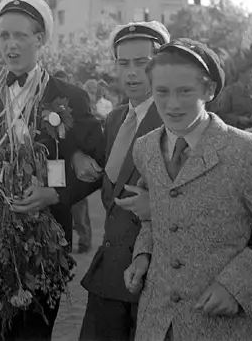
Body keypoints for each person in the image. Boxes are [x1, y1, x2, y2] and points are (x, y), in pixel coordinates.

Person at [0, 0, 105, 341]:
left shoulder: (69, 95)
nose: (10, 46)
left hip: (45, 238)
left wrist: (55, 194)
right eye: (3, 36)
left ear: (39, 39)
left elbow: (97, 164)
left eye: (20, 36)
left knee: (33, 333)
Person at [124, 38, 252, 341]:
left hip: (224, 327)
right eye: (162, 92)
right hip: (157, 323)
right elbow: (158, 215)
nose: (172, 104)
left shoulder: (250, 153)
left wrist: (239, 285)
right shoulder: (145, 148)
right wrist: (143, 254)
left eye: (185, 92)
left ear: (209, 90)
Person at [79, 21, 170, 341]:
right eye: (123, 63)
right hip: (110, 268)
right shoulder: (117, 118)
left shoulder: (175, 118)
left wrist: (155, 206)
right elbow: (108, 181)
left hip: (153, 274)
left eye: (141, 63)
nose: (131, 73)